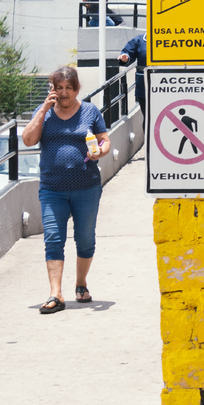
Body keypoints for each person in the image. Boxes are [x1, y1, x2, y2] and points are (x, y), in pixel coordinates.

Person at [21, 66, 111, 314]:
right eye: (59, 88)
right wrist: (43, 109)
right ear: (52, 89)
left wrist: (100, 151)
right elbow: (28, 140)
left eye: (68, 88)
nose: (63, 93)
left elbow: (104, 140)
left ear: (77, 89)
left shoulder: (90, 111)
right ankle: (56, 294)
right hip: (52, 189)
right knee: (53, 238)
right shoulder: (45, 113)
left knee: (85, 238)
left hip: (86, 187)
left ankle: (81, 283)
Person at [118, 32, 147, 117]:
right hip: (144, 87)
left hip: (168, 86)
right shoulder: (140, 40)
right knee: (148, 117)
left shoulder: (173, 37)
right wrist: (125, 58)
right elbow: (128, 53)